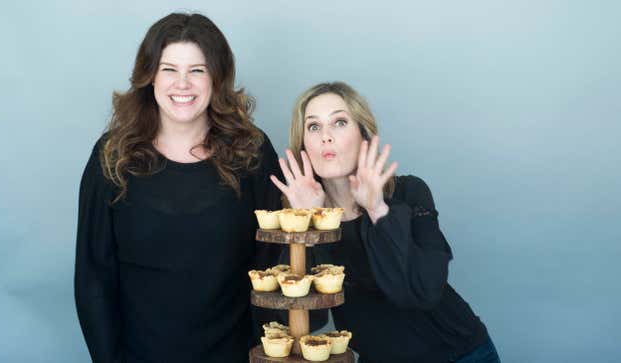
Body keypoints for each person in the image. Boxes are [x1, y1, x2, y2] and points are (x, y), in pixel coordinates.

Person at [74, 13, 283, 363]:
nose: (182, 83)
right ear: (149, 77)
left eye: (197, 70)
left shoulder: (253, 153)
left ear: (217, 79)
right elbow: (93, 277)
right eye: (169, 69)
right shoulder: (112, 157)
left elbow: (273, 270)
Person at [271, 82, 501, 363]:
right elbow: (310, 318)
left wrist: (377, 209)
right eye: (314, 127)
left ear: (363, 135)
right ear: (304, 143)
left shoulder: (409, 193)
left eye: (340, 122)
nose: (326, 137)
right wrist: (307, 226)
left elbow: (423, 291)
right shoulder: (303, 217)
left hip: (459, 355)